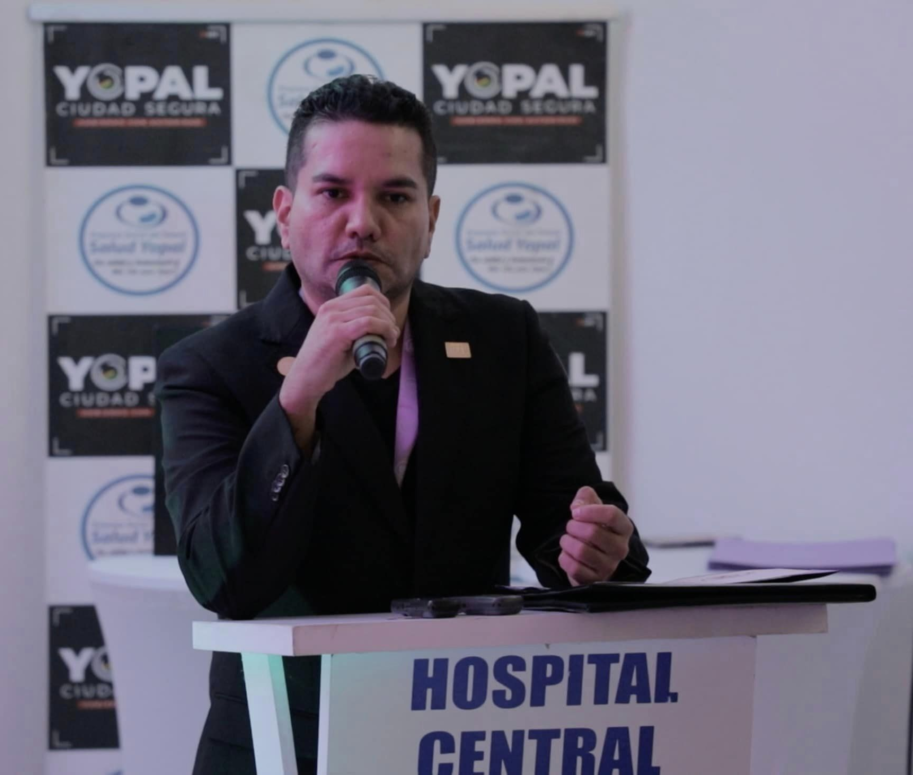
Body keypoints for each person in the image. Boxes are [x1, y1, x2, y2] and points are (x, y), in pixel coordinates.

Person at [156, 75, 650, 775]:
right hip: (288, 746)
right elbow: (222, 579)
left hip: (463, 735)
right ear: (285, 214)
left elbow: (567, 523)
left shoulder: (503, 337)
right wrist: (298, 399)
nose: (363, 223)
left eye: (395, 197)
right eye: (333, 193)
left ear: (432, 216)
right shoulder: (210, 365)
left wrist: (594, 551)